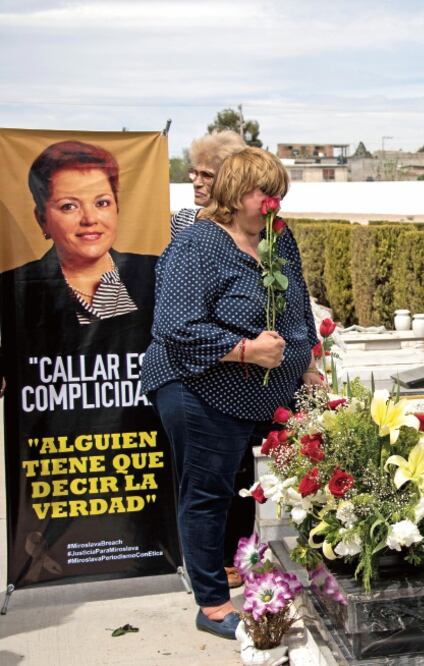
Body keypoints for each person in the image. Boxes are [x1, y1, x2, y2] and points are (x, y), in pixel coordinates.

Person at [142, 147, 321, 639]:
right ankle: (213, 606)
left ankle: (260, 570)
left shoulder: (278, 241)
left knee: (267, 480)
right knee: (207, 491)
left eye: (279, 192)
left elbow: (297, 307)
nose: (275, 202)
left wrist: (306, 361)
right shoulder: (197, 244)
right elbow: (174, 327)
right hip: (196, 385)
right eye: (267, 192)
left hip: (259, 389)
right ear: (236, 193)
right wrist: (244, 350)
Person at [0, 140, 165, 584]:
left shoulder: (154, 275)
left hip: (135, 453)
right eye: (69, 206)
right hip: (60, 460)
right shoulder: (16, 288)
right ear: (41, 219)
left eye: (102, 202)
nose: (91, 219)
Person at [170, 129, 248, 589]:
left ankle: (237, 548)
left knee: (239, 467)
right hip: (198, 361)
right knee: (204, 470)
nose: (197, 181)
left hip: (247, 367)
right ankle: (209, 561)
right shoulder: (184, 224)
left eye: (208, 174)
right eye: (193, 173)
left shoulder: (255, 226)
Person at [170, 130, 245, 238]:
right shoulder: (181, 221)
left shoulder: (245, 227)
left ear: (230, 180)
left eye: (207, 175)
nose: (196, 183)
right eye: (195, 173)